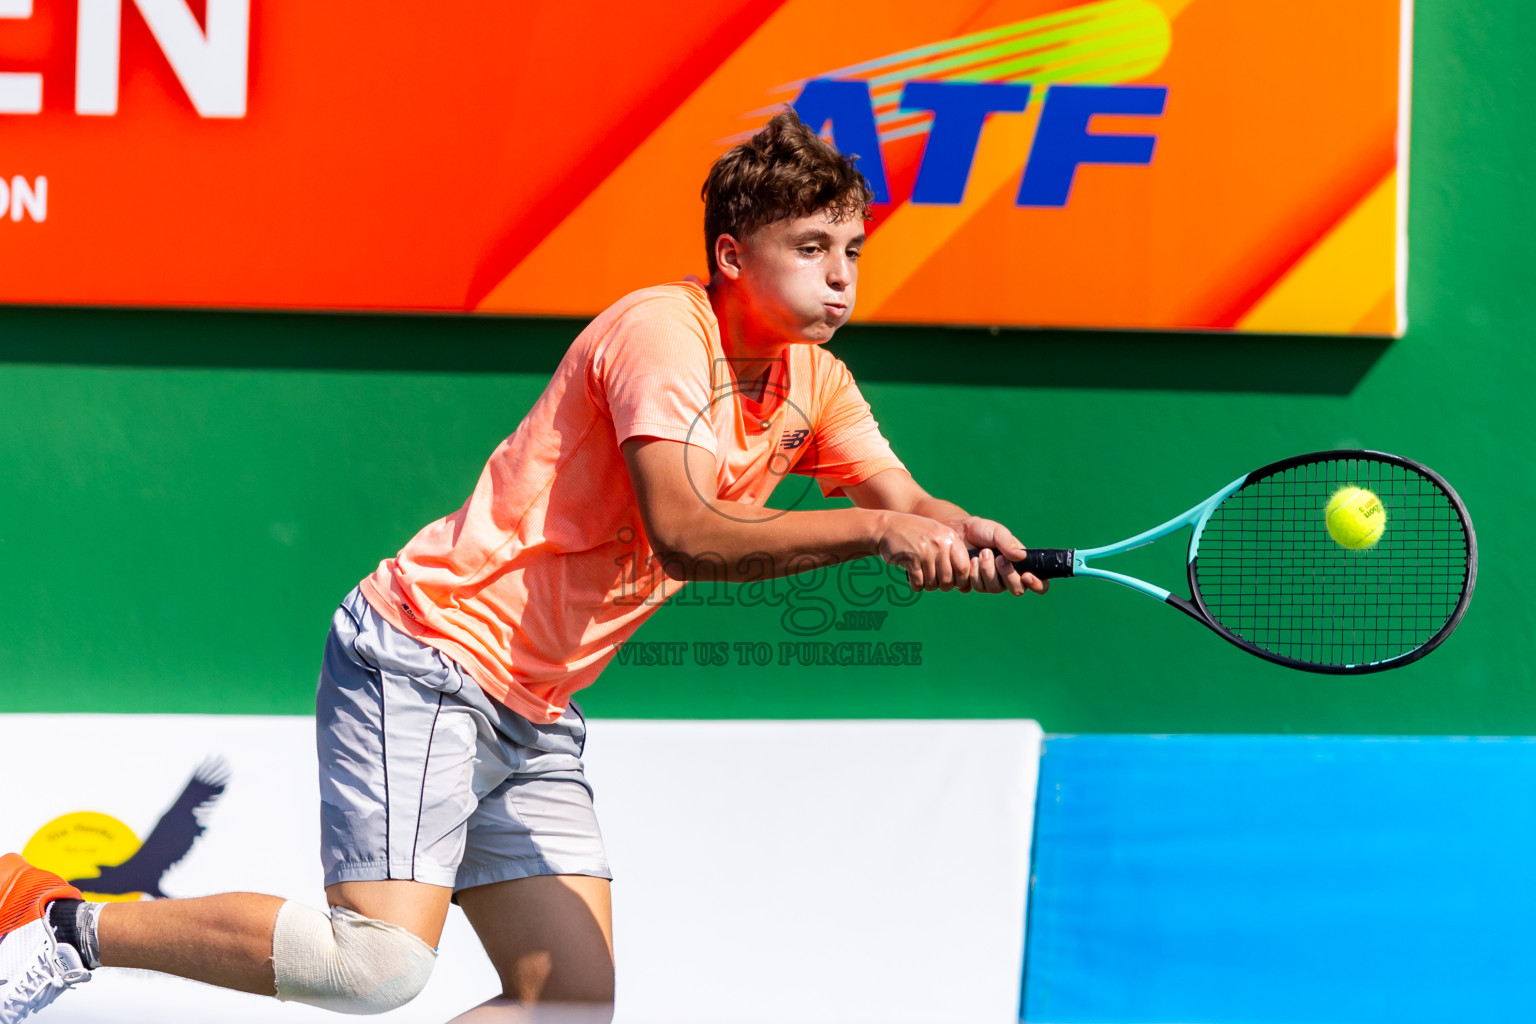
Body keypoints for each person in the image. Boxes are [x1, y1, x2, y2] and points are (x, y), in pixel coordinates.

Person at [0, 109, 1046, 1023]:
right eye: (811, 247)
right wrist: (877, 538)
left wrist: (960, 534)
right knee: (376, 966)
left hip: (535, 703)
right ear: (733, 256)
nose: (840, 277)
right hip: (427, 654)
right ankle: (61, 922)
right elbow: (689, 530)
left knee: (568, 1000)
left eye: (852, 251)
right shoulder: (661, 334)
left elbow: (903, 503)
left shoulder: (816, 381)